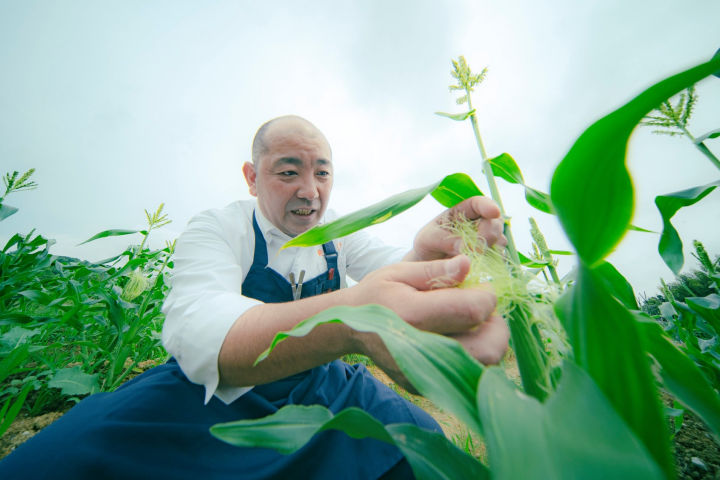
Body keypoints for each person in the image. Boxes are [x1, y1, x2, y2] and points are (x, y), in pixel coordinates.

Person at [0, 115, 509, 479]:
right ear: (252, 177)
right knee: (61, 456)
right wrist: (351, 320)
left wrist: (427, 252)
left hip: (322, 386)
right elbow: (202, 329)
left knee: (420, 449)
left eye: (322, 172)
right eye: (288, 172)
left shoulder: (338, 231)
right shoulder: (218, 229)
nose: (310, 190)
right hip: (216, 396)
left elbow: (393, 268)